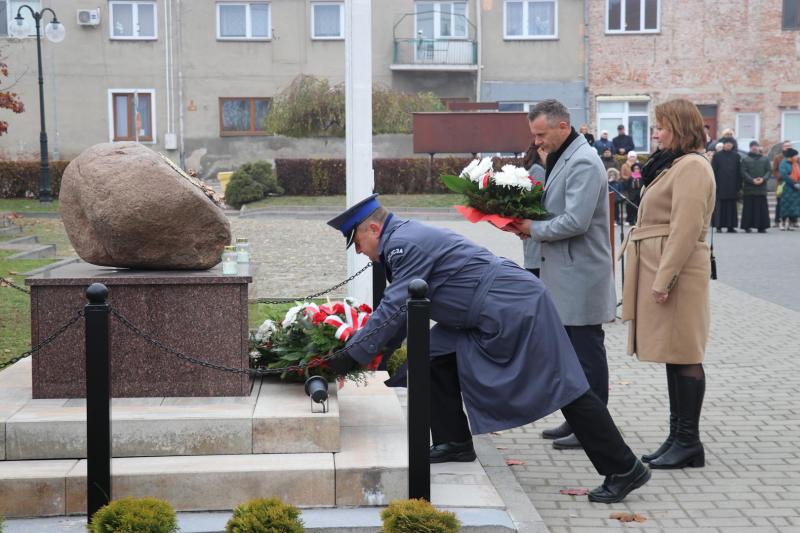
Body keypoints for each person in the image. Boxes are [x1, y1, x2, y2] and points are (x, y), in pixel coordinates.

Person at [326, 194, 651, 504]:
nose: (359, 251)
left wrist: (349, 357)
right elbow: (403, 313)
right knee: (430, 355)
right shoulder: (400, 239)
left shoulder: (402, 244)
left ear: (374, 229)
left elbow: (394, 307)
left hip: (514, 307)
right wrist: (368, 353)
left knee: (563, 385)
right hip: (486, 311)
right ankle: (453, 441)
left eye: (357, 242)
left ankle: (624, 468)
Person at [506, 99, 616, 451]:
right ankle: (578, 418)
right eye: (534, 135)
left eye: (541, 135)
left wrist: (532, 229)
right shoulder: (563, 157)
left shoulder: (583, 161)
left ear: (563, 127)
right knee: (570, 353)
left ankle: (594, 428)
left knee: (586, 352)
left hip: (580, 273)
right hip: (565, 271)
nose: (537, 141)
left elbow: (575, 221)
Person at [620, 98, 716, 470]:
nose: (656, 133)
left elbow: (686, 228)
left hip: (678, 273)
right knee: (675, 355)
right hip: (666, 266)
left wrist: (665, 278)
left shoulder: (692, 166)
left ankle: (689, 442)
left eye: (661, 127)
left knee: (685, 354)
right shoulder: (677, 164)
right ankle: (678, 438)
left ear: (678, 128)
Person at [521, 143, 547, 277]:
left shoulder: (534, 168)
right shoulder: (538, 170)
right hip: (537, 230)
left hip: (534, 230)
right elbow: (541, 200)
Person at [711, 137, 742, 233]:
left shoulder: (736, 156)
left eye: (730, 143)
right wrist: (714, 185)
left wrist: (739, 185)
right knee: (720, 207)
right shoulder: (717, 156)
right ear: (723, 144)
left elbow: (739, 171)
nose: (728, 145)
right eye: (727, 143)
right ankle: (718, 226)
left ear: (732, 145)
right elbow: (713, 171)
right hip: (720, 185)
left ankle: (731, 226)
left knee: (731, 207)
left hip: (732, 185)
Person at [740, 140, 771, 233]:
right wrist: (752, 180)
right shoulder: (745, 159)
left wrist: (763, 179)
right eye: (753, 146)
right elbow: (743, 172)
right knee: (748, 208)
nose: (754, 148)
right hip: (749, 188)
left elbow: (769, 171)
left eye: (756, 146)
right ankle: (747, 226)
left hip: (761, 188)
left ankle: (762, 227)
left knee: (762, 208)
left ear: (758, 147)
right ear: (750, 148)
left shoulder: (765, 159)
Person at [778, 148, 800, 230]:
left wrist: (798, 183)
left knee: (793, 207)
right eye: (796, 155)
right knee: (785, 206)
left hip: (796, 189)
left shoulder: (795, 164)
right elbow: (785, 175)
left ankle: (790, 223)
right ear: (791, 156)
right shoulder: (783, 163)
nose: (797, 157)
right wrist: (794, 183)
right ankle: (782, 222)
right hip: (787, 188)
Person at [772, 141, 793, 228]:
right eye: (785, 146)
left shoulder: (795, 157)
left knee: (792, 203)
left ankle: (793, 221)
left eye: (789, 146)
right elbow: (774, 170)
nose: (787, 147)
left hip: (792, 184)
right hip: (781, 184)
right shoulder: (778, 157)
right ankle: (777, 221)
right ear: (783, 147)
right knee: (780, 202)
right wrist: (781, 176)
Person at [620, 151, 640, 226]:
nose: (632, 158)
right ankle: (629, 219)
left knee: (637, 203)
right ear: (628, 157)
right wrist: (631, 177)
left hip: (637, 188)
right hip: (628, 187)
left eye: (633, 156)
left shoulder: (638, 165)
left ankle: (637, 219)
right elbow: (622, 175)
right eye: (631, 156)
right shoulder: (624, 165)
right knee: (629, 203)